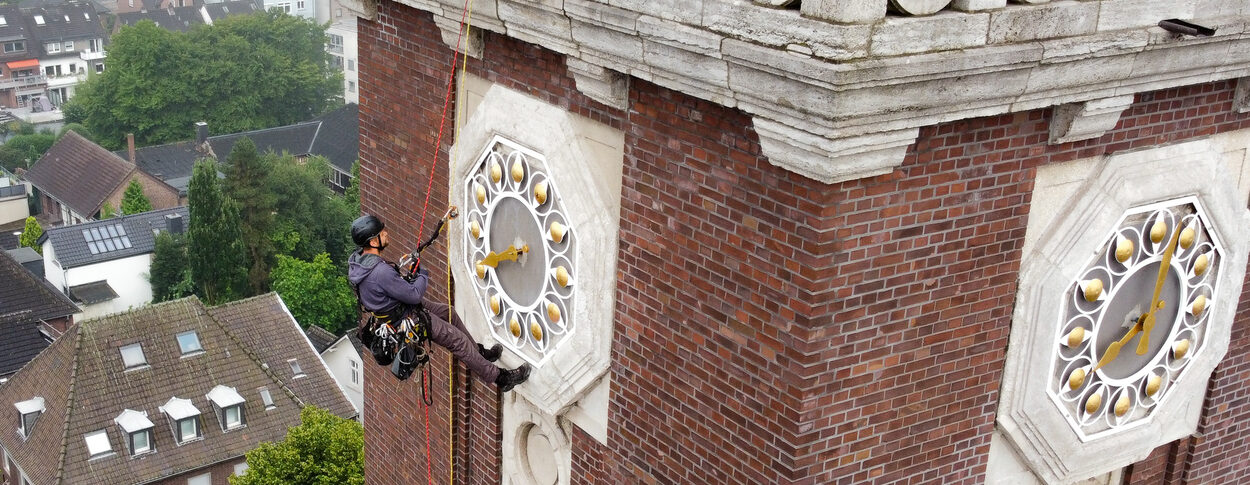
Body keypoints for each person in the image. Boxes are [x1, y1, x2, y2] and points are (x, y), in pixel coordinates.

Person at [347, 213, 530, 392]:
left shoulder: (360, 262)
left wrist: (405, 279)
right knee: (457, 341)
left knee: (448, 312)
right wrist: (422, 273)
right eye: (381, 233)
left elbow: (390, 288)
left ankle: (479, 354)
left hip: (400, 310)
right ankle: (501, 378)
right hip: (408, 319)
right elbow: (414, 294)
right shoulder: (379, 272)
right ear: (373, 242)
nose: (386, 233)